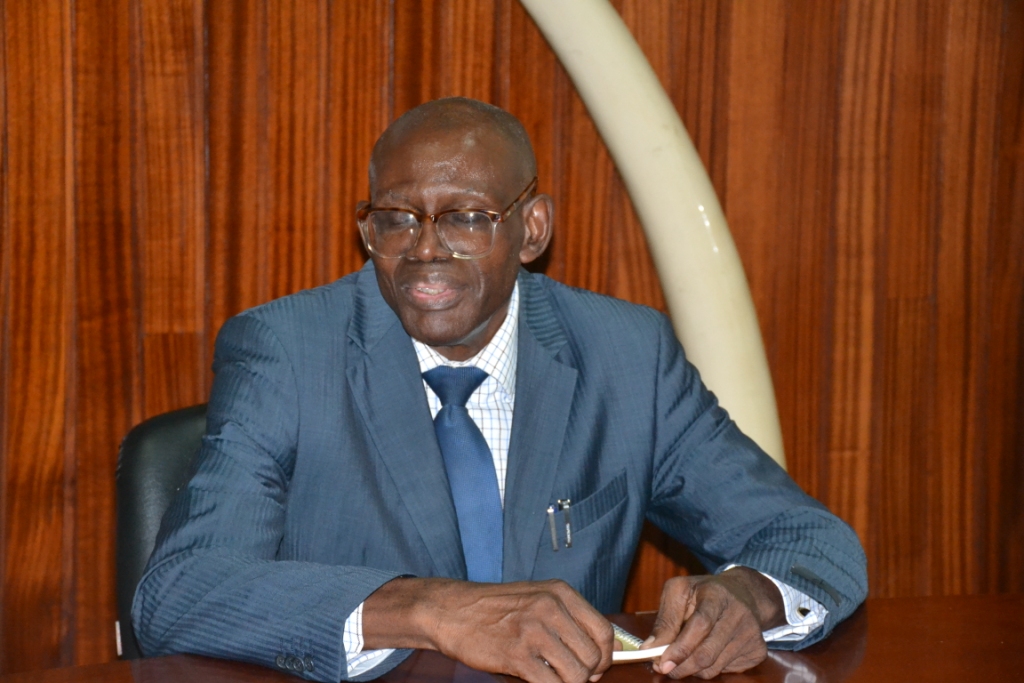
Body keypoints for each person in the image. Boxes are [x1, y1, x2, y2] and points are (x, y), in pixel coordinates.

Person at [133, 97, 867, 683]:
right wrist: (429, 608)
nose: (424, 248)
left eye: (466, 218)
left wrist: (748, 595)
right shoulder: (289, 352)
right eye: (395, 219)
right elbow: (180, 591)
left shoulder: (626, 355)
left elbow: (811, 540)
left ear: (532, 228)